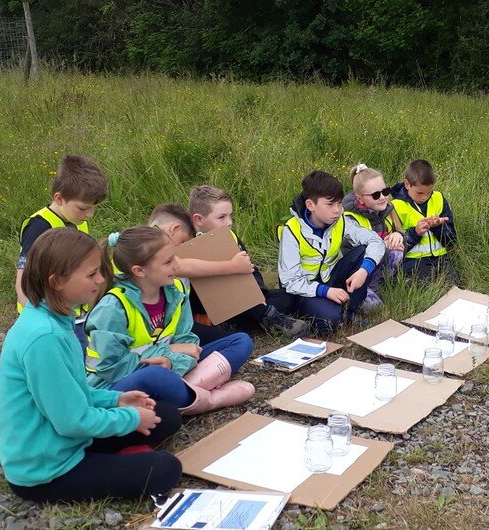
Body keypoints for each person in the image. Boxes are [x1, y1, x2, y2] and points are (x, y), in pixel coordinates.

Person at [0, 228, 182, 503]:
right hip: (46, 470)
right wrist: (130, 418)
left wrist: (117, 399)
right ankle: (106, 461)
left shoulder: (54, 320)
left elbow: (74, 393)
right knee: (165, 468)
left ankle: (111, 453)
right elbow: (72, 421)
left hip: (64, 440)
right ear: (57, 281)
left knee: (165, 415)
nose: (101, 279)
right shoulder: (45, 338)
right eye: (91, 274)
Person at [85, 225, 256, 415]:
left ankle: (185, 392)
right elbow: (112, 368)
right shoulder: (113, 308)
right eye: (168, 261)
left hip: (167, 369)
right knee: (154, 376)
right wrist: (169, 352)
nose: (176, 265)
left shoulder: (175, 291)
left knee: (241, 341)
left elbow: (188, 342)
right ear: (139, 271)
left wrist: (172, 362)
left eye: (175, 256)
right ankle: (212, 399)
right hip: (117, 385)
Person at [185, 186, 310, 340]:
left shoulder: (229, 235)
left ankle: (244, 322)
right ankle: (265, 317)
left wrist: (258, 295)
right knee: (233, 286)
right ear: (198, 219)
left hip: (242, 301)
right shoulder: (186, 246)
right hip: (208, 306)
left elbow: (251, 269)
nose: (229, 222)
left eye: (230, 216)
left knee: (286, 297)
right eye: (221, 217)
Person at [15, 154, 109, 350]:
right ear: (59, 198)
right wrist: (33, 320)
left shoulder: (76, 221)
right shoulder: (39, 227)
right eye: (83, 208)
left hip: (73, 315)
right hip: (46, 320)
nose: (89, 215)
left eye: (94, 208)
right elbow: (23, 279)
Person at [278, 170, 386, 334]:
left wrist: (364, 270)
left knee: (363, 252)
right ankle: (325, 314)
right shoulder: (292, 230)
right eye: (330, 204)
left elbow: (376, 241)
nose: (337, 210)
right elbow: (290, 281)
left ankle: (349, 312)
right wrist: (325, 291)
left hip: (330, 278)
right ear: (310, 205)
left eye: (339, 203)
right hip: (304, 291)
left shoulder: (340, 220)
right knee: (329, 323)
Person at [341, 163, 405, 309]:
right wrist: (383, 245)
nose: (382, 197)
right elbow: (350, 255)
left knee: (397, 251)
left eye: (385, 191)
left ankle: (377, 288)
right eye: (376, 195)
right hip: (357, 273)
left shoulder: (388, 210)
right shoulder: (350, 218)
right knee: (375, 309)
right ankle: (359, 293)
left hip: (377, 267)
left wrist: (398, 235)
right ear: (360, 198)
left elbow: (402, 235)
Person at [390, 159, 458, 283]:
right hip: (412, 261)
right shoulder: (395, 206)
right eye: (419, 192)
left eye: (429, 192)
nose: (424, 197)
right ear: (407, 184)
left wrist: (438, 227)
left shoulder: (438, 198)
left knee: (455, 287)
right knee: (425, 288)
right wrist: (416, 233)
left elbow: (451, 241)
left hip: (440, 258)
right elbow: (392, 251)